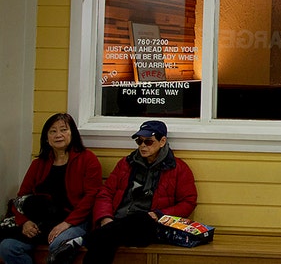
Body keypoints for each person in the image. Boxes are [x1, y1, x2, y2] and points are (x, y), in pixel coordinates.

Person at [49, 120, 198, 264]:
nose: (143, 146)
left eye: (148, 141)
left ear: (162, 141)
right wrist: (105, 218)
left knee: (137, 220)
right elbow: (105, 193)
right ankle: (87, 239)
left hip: (149, 225)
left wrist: (159, 214)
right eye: (139, 141)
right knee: (106, 239)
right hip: (116, 223)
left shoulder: (178, 168)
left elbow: (188, 201)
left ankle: (82, 240)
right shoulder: (126, 163)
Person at [0, 113, 101, 264]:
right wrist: (25, 222)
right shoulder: (38, 164)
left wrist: (66, 223)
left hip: (75, 221)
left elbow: (91, 196)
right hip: (41, 222)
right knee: (8, 247)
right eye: (53, 131)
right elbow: (21, 198)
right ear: (46, 137)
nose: (58, 135)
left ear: (72, 133)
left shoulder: (88, 159)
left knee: (58, 244)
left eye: (63, 130)